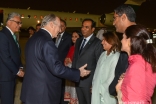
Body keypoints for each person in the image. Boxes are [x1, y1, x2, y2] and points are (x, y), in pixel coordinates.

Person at [20, 14, 90, 104]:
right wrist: (78, 73)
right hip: (43, 94)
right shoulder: (47, 42)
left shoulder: (33, 38)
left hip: (31, 91)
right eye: (59, 27)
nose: (60, 30)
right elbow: (56, 68)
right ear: (52, 25)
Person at [116, 24, 156, 104]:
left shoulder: (137, 66)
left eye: (123, 37)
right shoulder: (140, 62)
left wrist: (118, 90)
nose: (121, 41)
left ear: (129, 41)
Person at [72, 18, 103, 104]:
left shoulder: (97, 43)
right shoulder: (79, 40)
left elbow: (99, 64)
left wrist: (95, 82)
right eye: (82, 26)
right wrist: (73, 73)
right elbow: (76, 58)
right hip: (78, 79)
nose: (83, 29)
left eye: (86, 27)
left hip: (89, 81)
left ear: (93, 29)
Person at [109, 4, 136, 97]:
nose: (113, 23)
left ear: (123, 17)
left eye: (114, 18)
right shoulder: (129, 36)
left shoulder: (138, 37)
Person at [0, 12, 24, 104]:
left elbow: (16, 53)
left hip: (10, 74)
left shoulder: (12, 35)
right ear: (9, 22)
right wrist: (17, 71)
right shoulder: (3, 35)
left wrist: (20, 66)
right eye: (18, 22)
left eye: (20, 23)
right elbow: (5, 57)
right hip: (5, 77)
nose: (20, 25)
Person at [91, 32, 121, 104]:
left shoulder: (116, 56)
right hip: (97, 90)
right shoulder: (103, 54)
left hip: (107, 92)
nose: (102, 42)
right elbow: (96, 72)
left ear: (111, 41)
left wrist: (100, 89)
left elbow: (112, 76)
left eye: (104, 40)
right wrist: (94, 85)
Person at [54, 19, 72, 104]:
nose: (60, 27)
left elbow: (71, 50)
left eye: (62, 26)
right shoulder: (53, 36)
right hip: (54, 66)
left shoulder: (69, 37)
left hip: (63, 66)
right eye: (59, 25)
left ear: (65, 27)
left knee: (63, 87)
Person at [64, 30, 82, 104]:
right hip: (69, 72)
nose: (73, 38)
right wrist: (66, 60)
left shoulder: (80, 49)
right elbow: (67, 57)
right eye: (72, 36)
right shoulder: (71, 47)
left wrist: (71, 61)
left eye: (76, 37)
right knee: (70, 90)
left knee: (75, 91)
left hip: (74, 71)